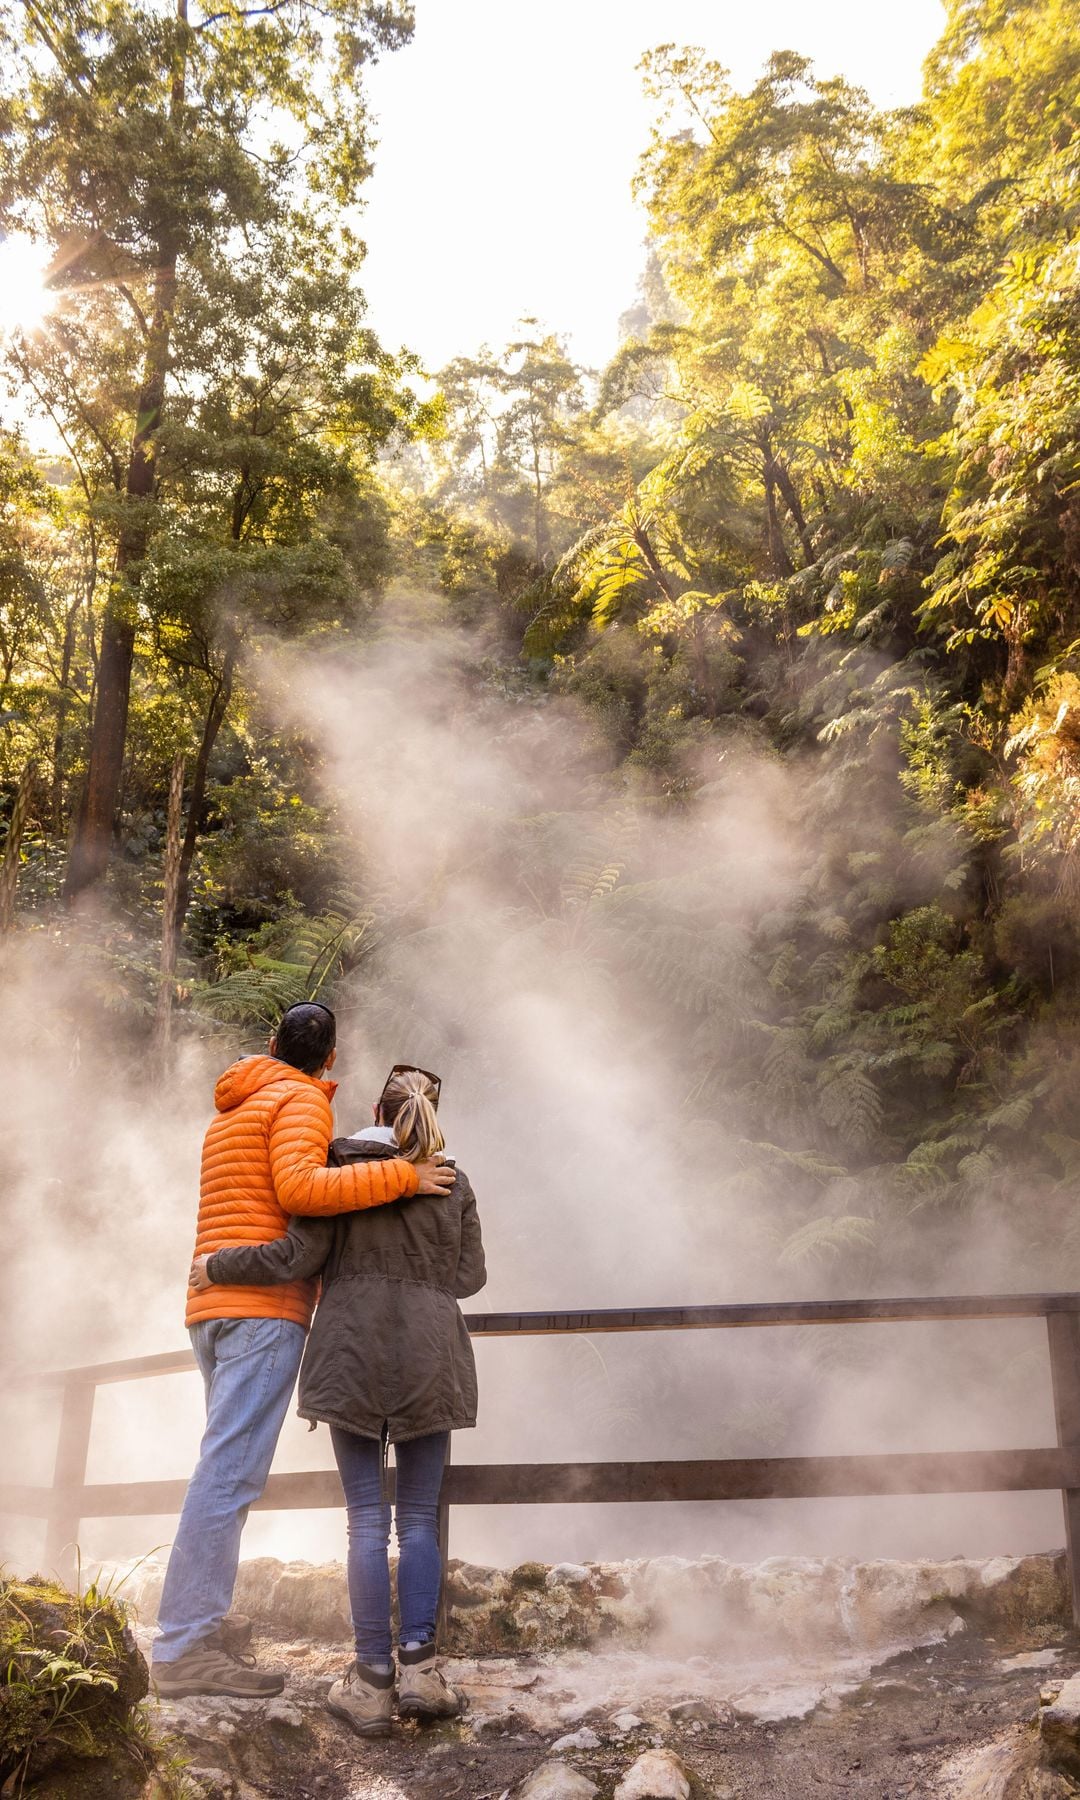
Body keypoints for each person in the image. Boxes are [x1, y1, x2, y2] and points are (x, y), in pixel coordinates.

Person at [152, 1007, 456, 1702]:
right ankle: (183, 1645)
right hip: (261, 1311)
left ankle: (199, 1624)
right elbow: (300, 1192)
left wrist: (220, 1267)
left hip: (215, 1310)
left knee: (224, 1470)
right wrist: (406, 1178)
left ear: (270, 1045)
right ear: (331, 1060)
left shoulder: (235, 1105)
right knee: (228, 1477)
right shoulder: (299, 1100)